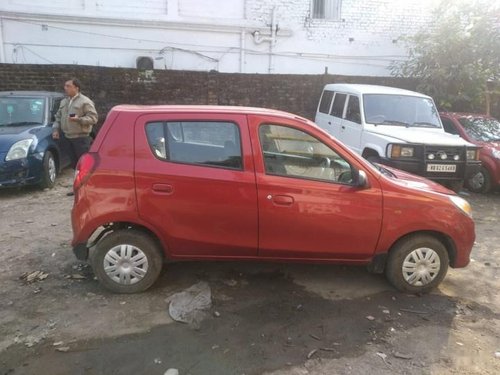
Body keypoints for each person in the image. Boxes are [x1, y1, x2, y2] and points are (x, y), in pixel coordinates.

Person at [52, 78, 98, 195]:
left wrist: (79, 119)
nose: (65, 88)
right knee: (74, 165)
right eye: (65, 86)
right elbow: (57, 117)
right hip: (68, 137)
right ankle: (78, 187)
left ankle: (88, 187)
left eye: (68, 86)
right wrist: (55, 129)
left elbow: (93, 118)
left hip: (81, 138)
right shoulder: (64, 102)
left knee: (84, 165)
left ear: (76, 88)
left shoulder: (85, 101)